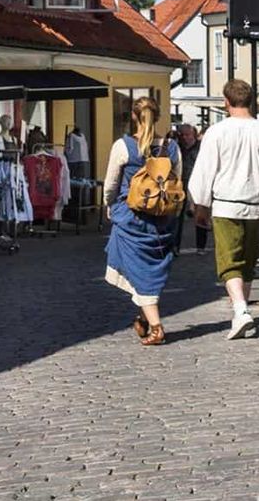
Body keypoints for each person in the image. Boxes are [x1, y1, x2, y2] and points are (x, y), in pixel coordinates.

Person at [188, 79, 259, 340]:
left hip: (226, 204)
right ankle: (242, 312)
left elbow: (205, 171)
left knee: (230, 262)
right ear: (250, 101)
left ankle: (240, 311)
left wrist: (200, 205)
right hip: (255, 205)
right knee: (247, 262)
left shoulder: (217, 132)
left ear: (226, 102)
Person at [103, 96, 182, 346]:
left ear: (133, 117)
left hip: (132, 217)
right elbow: (176, 182)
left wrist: (110, 206)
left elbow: (110, 185)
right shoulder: (172, 147)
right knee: (147, 270)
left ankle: (157, 327)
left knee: (137, 270)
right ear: (156, 117)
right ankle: (145, 318)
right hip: (161, 220)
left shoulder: (123, 146)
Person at [173, 124, 208, 256]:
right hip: (180, 184)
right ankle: (175, 246)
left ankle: (201, 246)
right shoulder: (176, 148)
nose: (185, 138)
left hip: (198, 183)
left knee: (201, 215)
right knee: (177, 216)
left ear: (194, 135)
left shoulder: (201, 148)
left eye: (188, 135)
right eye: (182, 135)